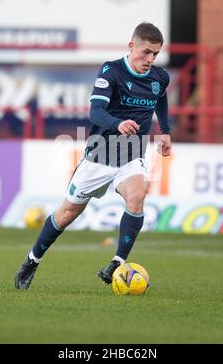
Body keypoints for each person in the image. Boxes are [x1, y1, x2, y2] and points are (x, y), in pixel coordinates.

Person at [14, 22, 172, 290]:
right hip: (100, 154)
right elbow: (95, 113)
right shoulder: (111, 72)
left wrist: (165, 131)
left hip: (132, 155)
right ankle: (32, 260)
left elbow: (161, 99)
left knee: (137, 196)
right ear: (131, 46)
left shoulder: (159, 77)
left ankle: (116, 263)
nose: (150, 59)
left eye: (155, 54)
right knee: (67, 213)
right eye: (146, 52)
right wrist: (118, 123)